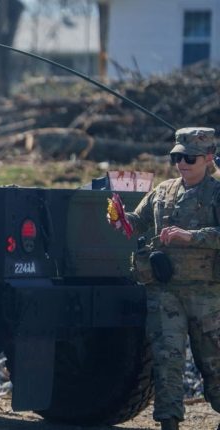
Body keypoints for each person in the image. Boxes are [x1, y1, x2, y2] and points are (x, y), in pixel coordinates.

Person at [113, 127, 220, 430]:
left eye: (190, 157)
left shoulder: (216, 193)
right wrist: (120, 218)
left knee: (213, 363)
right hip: (166, 291)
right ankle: (168, 422)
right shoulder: (163, 191)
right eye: (177, 157)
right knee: (167, 361)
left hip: (207, 295)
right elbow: (138, 220)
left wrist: (192, 236)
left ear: (208, 158)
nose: (182, 163)